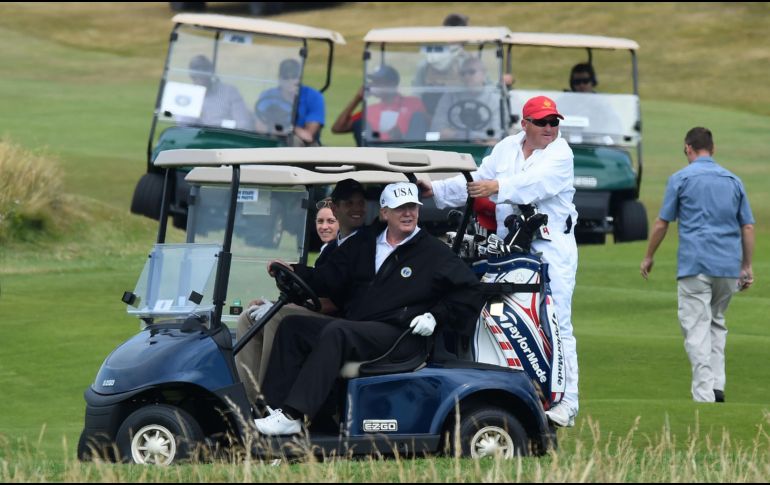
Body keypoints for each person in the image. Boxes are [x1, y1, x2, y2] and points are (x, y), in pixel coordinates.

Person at [253, 182, 484, 435]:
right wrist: (294, 270)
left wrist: (435, 316)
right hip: (363, 328)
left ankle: (293, 414)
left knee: (338, 331)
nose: (408, 214)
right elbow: (329, 277)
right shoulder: (364, 243)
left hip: (401, 334)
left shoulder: (433, 252)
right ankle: (270, 411)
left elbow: (469, 291)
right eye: (400, 208)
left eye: (412, 207)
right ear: (385, 213)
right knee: (293, 327)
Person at [417, 95, 580, 428]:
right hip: (511, 248)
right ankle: (520, 387)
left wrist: (498, 186)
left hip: (552, 247)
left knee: (557, 320)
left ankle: (567, 400)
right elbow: (475, 183)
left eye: (554, 122)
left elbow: (535, 185)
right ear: (526, 124)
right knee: (507, 317)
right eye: (543, 122)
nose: (550, 129)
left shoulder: (561, 154)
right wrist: (433, 190)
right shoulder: (506, 148)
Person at [640, 127, 754, 403]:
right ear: (712, 149)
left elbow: (661, 223)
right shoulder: (733, 180)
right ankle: (717, 385)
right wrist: (747, 266)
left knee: (696, 328)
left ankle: (704, 395)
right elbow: (747, 226)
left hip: (695, 264)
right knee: (716, 323)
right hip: (727, 266)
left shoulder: (681, 178)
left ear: (688, 148)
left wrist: (649, 256)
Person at [235, 179, 367, 403]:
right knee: (247, 319)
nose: (325, 226)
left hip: (342, 323)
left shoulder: (358, 246)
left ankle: (269, 399)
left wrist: (284, 306)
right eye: (321, 221)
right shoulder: (332, 250)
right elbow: (315, 287)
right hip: (322, 316)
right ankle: (246, 397)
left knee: (277, 317)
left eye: (330, 221)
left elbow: (336, 301)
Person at [254, 58, 325, 145]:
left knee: (293, 141)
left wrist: (290, 128)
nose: (290, 81)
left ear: (300, 78)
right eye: (286, 77)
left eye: (294, 77)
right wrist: (281, 129)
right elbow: (259, 127)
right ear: (279, 79)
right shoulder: (268, 95)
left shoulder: (314, 97)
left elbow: (308, 136)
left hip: (304, 145)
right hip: (272, 135)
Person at [429, 56, 502, 141]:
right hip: (454, 146)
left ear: (484, 74)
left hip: (483, 148)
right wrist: (461, 135)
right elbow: (437, 130)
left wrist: (475, 138)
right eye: (463, 74)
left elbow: (497, 135)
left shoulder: (496, 100)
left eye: (471, 72)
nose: (467, 77)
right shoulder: (449, 97)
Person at [182, 54, 255, 130]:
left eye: (204, 70)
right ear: (191, 75)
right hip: (202, 137)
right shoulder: (188, 96)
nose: (201, 74)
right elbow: (184, 126)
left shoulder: (229, 91)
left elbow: (243, 123)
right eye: (197, 70)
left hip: (228, 135)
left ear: (211, 72)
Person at [364, 64, 428, 141]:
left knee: (418, 117)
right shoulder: (369, 110)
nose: (374, 85)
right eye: (373, 82)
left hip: (407, 149)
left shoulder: (414, 103)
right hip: (378, 150)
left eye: (379, 82)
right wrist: (359, 98)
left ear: (392, 84)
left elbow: (427, 128)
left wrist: (401, 137)